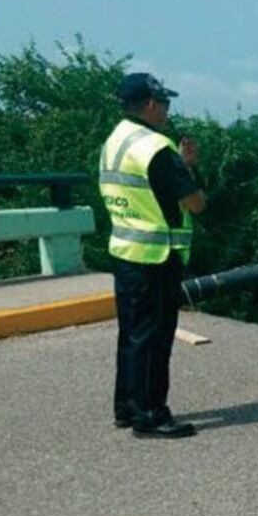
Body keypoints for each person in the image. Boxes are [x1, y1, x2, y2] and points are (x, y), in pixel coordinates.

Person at [99, 72, 206, 439]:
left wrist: (180, 166)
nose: (167, 111)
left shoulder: (115, 141)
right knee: (156, 336)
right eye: (165, 103)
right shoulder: (156, 148)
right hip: (157, 254)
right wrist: (188, 168)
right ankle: (151, 414)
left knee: (132, 333)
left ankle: (127, 406)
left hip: (125, 249)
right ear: (149, 104)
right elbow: (195, 202)